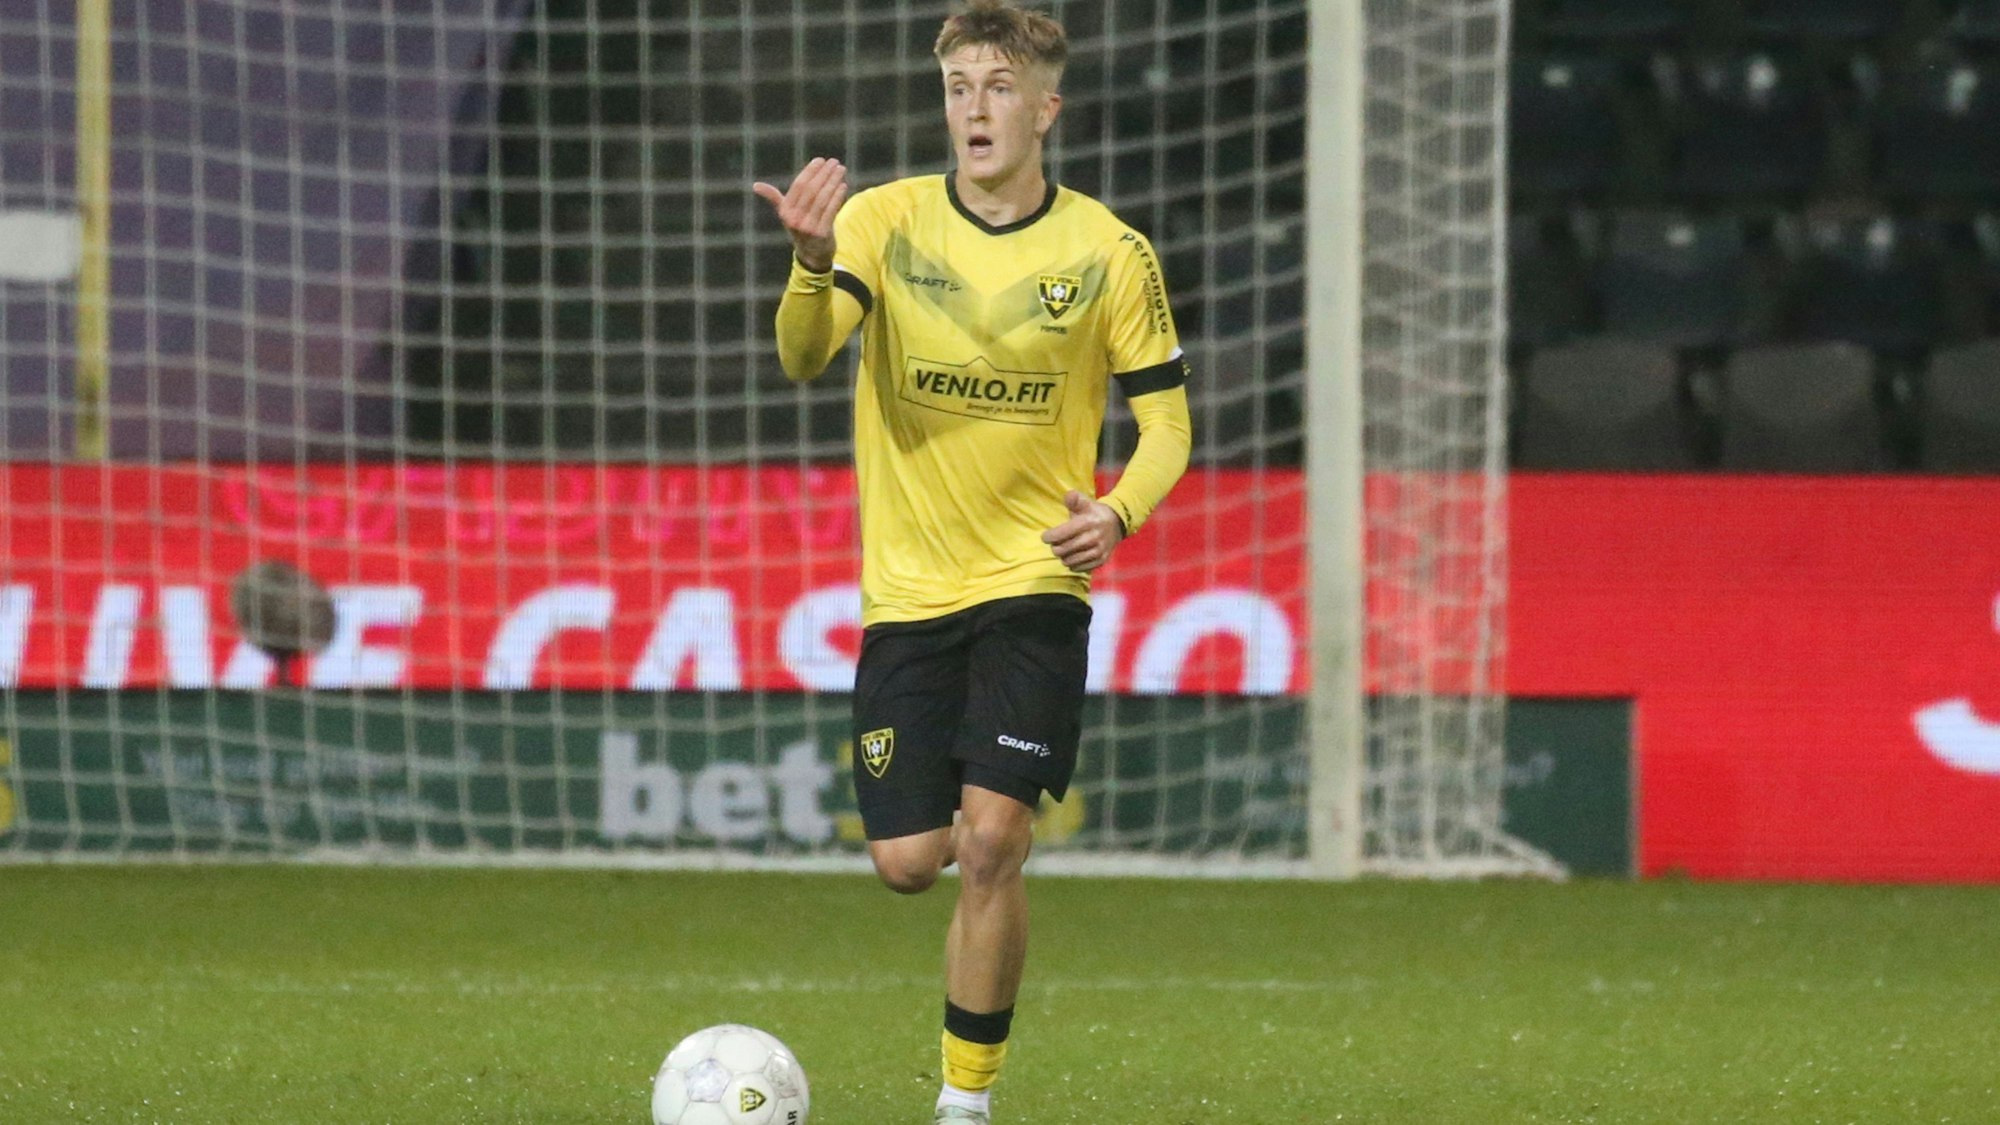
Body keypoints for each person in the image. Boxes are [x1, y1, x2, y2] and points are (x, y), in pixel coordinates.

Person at [752, 1, 1191, 1120]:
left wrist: (1119, 511)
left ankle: (964, 1103)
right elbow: (804, 359)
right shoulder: (884, 224)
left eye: (999, 88)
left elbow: (1168, 424)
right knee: (908, 861)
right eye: (958, 87)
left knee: (993, 838)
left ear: (1045, 108)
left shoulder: (1105, 252)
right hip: (908, 590)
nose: (975, 109)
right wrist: (810, 262)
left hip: (1034, 578)